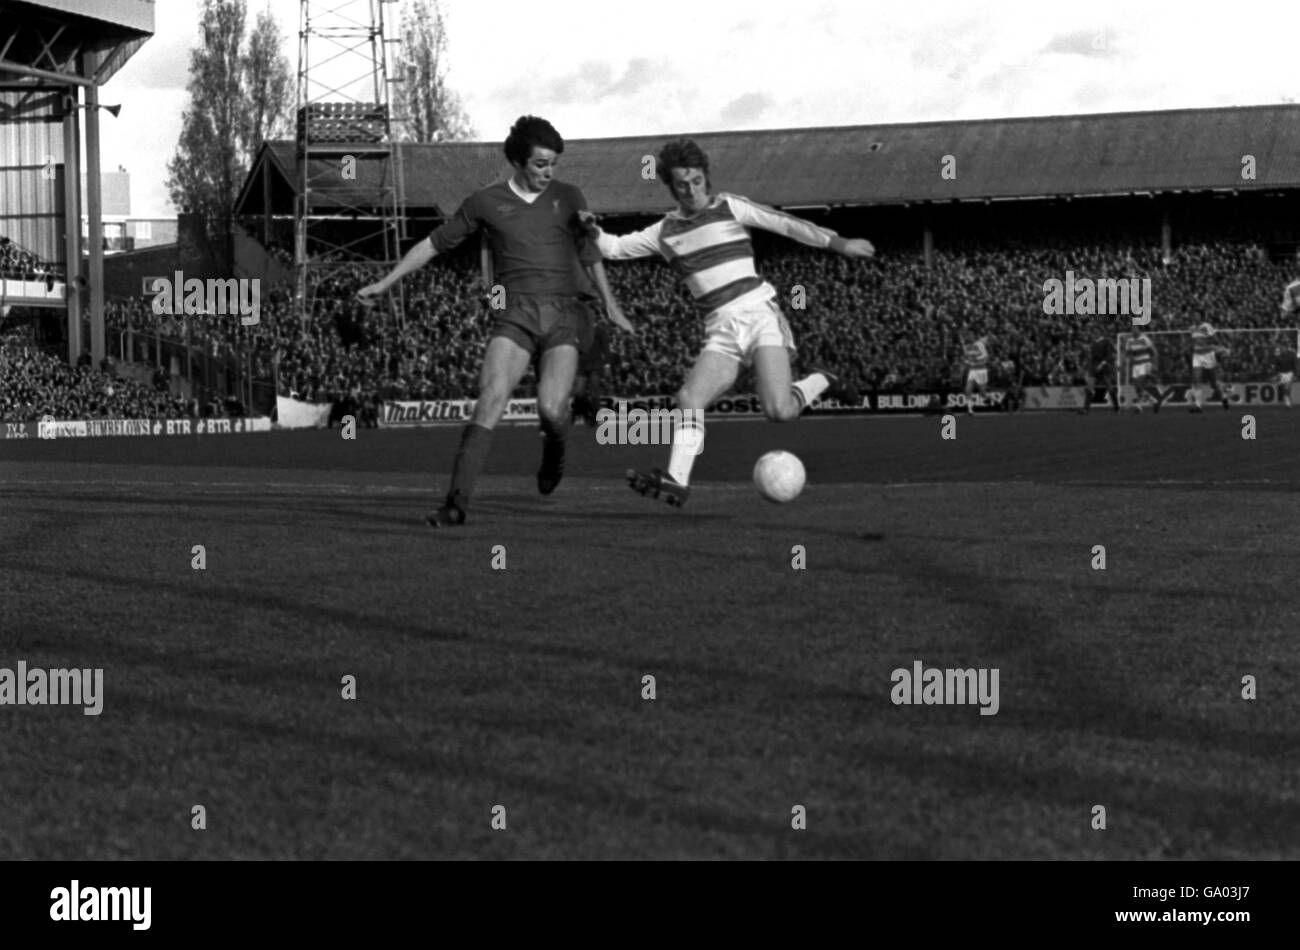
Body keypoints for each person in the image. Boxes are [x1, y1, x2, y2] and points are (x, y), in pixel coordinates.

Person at [357, 116, 628, 526]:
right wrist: (387, 280)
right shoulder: (486, 202)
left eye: (553, 164)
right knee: (491, 399)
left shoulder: (570, 196)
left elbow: (590, 254)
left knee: (552, 409)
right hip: (516, 314)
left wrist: (611, 304)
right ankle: (455, 504)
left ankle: (555, 446)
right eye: (540, 164)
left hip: (563, 314)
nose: (548, 172)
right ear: (518, 162)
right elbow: (433, 244)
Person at [578, 138, 873, 507]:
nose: (691, 189)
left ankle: (822, 378)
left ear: (706, 178)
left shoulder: (731, 207)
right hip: (719, 330)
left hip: (758, 316)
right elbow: (614, 248)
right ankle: (677, 481)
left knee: (779, 411)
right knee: (688, 398)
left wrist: (838, 243)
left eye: (697, 180)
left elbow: (784, 224)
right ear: (671, 186)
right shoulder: (664, 231)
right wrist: (592, 230)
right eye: (682, 184)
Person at [1189, 321, 1230, 412]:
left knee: (1214, 383)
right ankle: (1198, 405)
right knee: (1196, 380)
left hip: (1208, 355)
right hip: (1197, 356)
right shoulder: (1192, 328)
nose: (1195, 317)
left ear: (1200, 316)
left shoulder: (1206, 326)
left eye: (1197, 315)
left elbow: (1215, 339)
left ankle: (1224, 397)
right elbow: (1193, 341)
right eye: (1194, 315)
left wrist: (1219, 348)